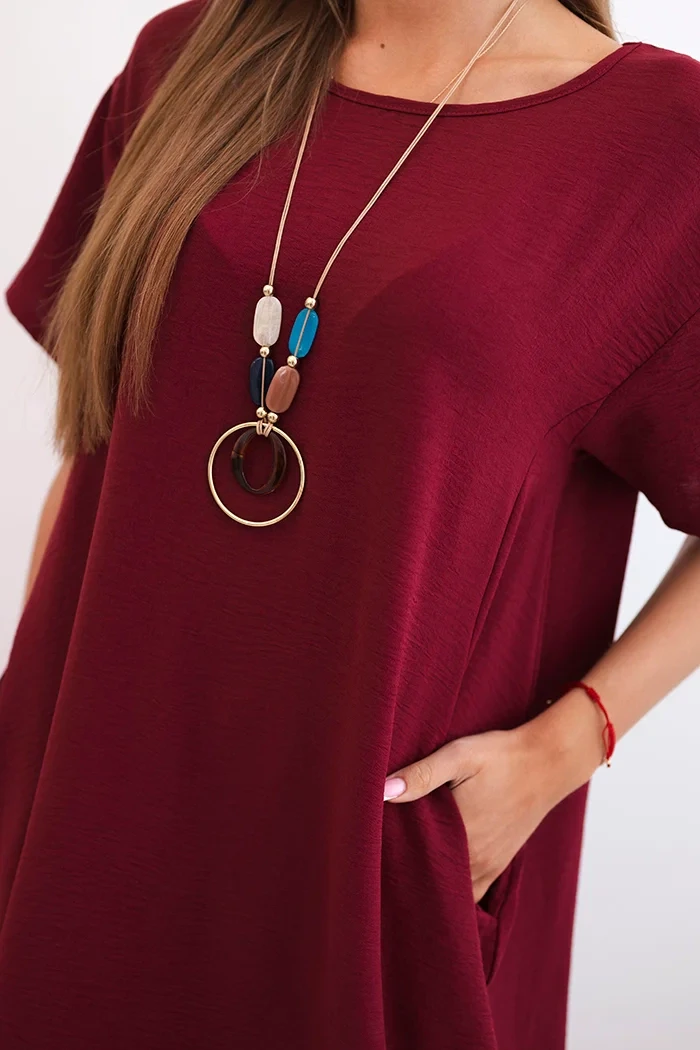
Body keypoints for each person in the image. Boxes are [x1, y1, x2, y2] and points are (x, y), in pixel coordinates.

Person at [1, 0, 699, 1047]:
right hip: (88, 813)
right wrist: (38, 720)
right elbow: (105, 445)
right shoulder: (186, 57)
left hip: (366, 852)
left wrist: (564, 747)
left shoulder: (659, 141)